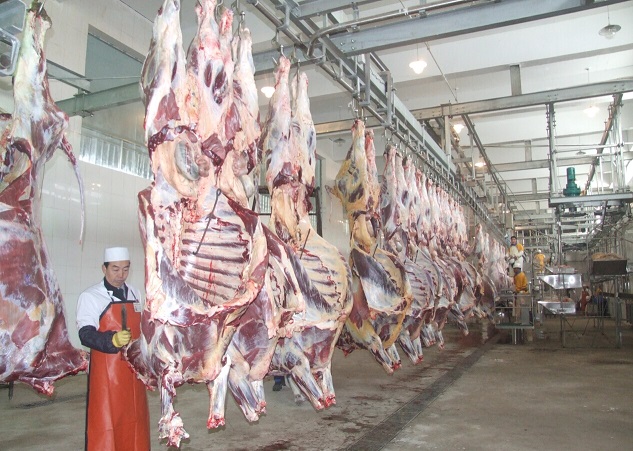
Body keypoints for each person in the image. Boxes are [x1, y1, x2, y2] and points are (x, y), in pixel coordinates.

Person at [76, 247, 150, 451]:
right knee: (107, 421)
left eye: (125, 269)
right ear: (104, 268)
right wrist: (112, 340)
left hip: (134, 371)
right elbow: (85, 334)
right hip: (107, 373)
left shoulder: (135, 293)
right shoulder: (91, 296)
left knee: (136, 419)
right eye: (115, 269)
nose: (121, 275)